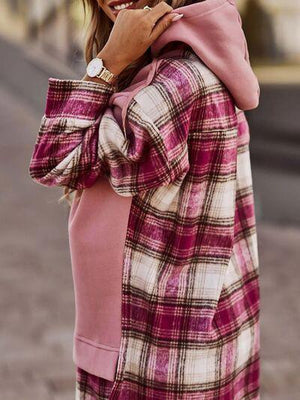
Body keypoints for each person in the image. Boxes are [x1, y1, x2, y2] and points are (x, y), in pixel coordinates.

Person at [29, 0, 260, 399]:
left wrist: (106, 63)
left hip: (156, 357)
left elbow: (54, 158)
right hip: (205, 338)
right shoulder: (209, 60)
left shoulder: (174, 86)